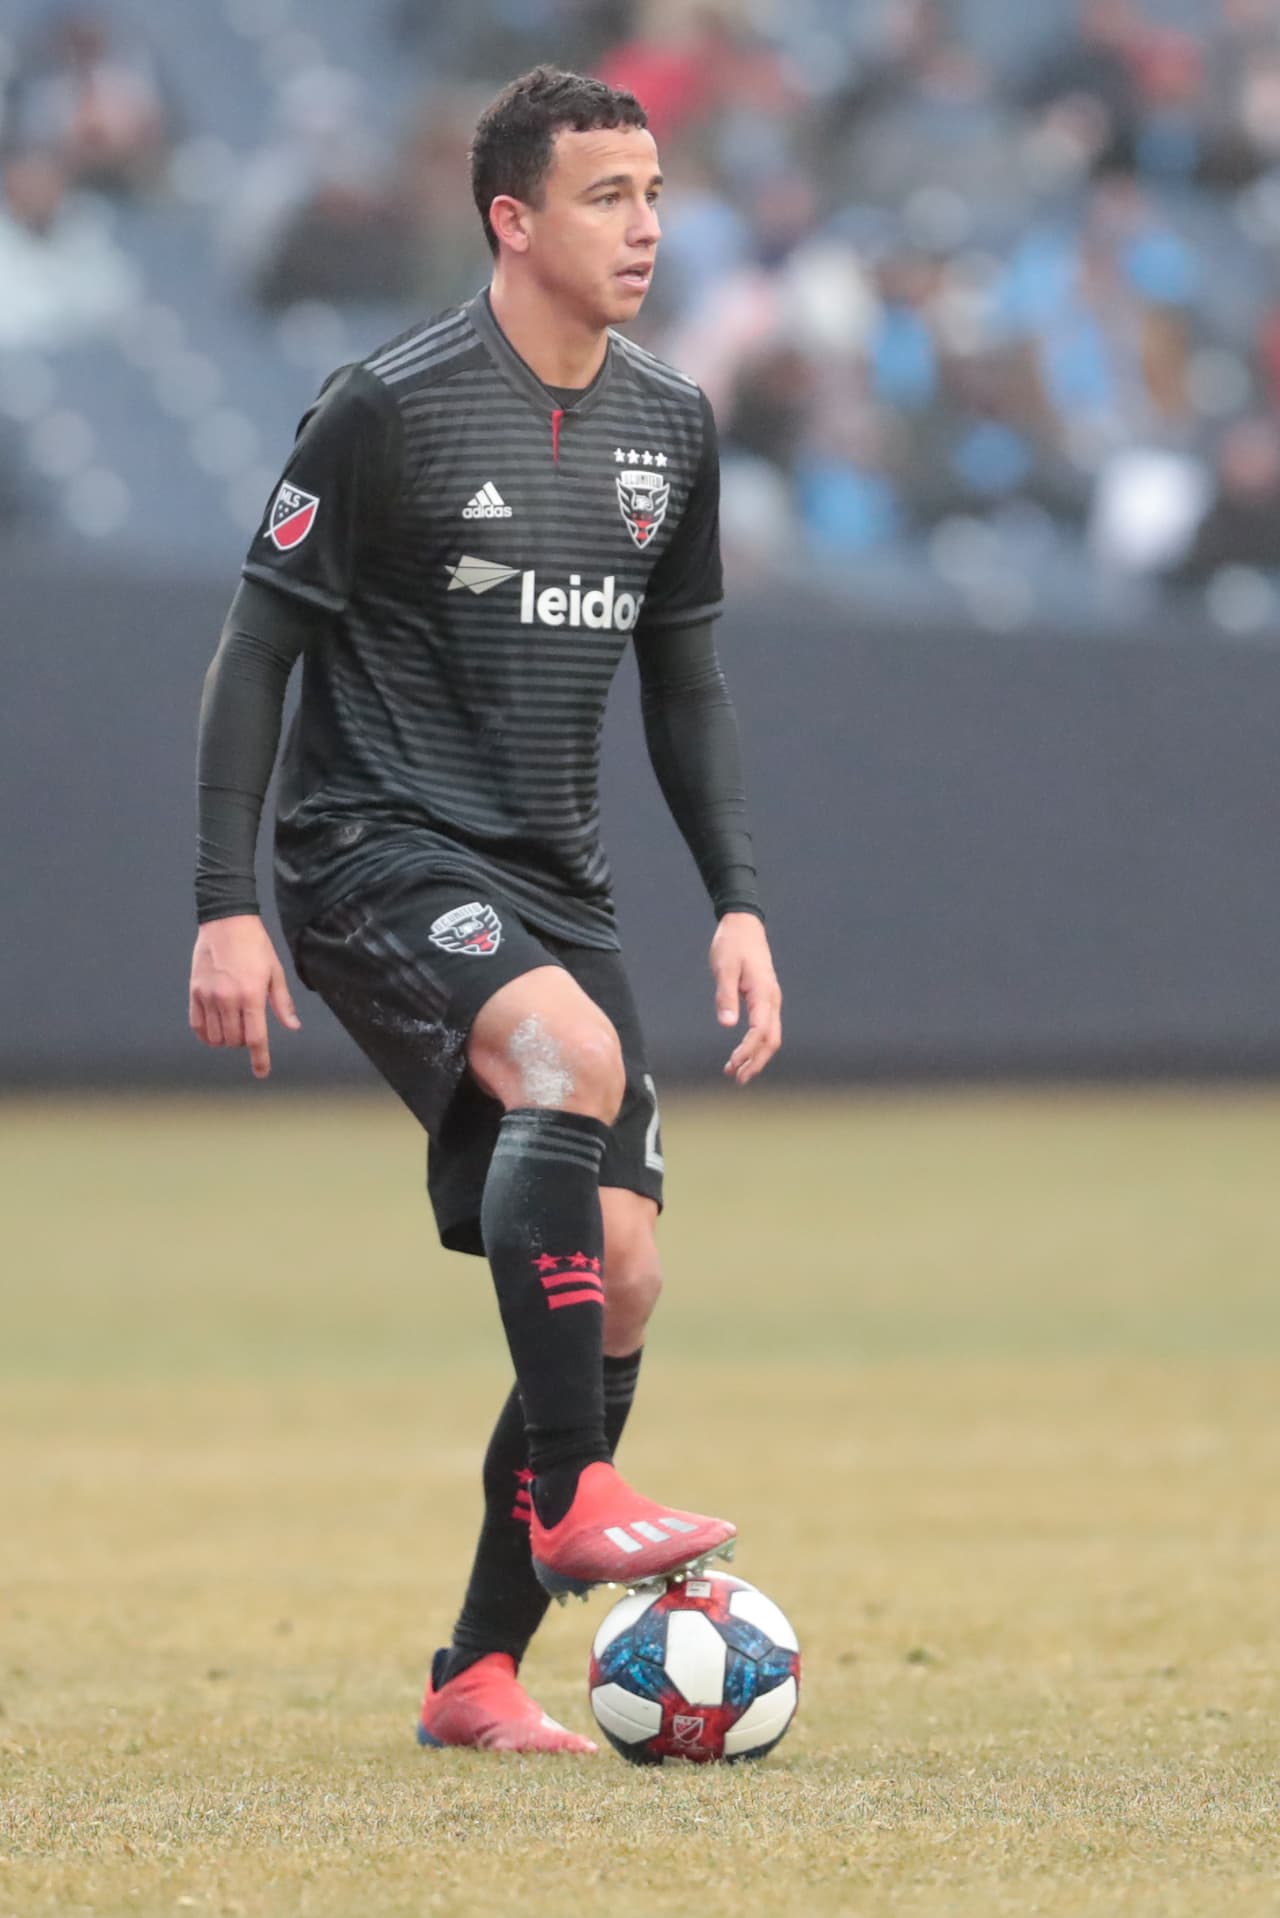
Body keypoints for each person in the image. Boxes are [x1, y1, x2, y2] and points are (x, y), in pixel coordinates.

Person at [189, 65, 781, 1756]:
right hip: (368, 850)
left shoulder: (672, 423)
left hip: (553, 882)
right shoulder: (386, 405)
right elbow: (258, 647)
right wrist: (227, 899)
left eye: (655, 192)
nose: (646, 226)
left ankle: (476, 1673)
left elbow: (686, 686)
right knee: (564, 1056)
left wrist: (737, 898)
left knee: (627, 1270)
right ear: (512, 220)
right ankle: (581, 1485)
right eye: (607, 196)